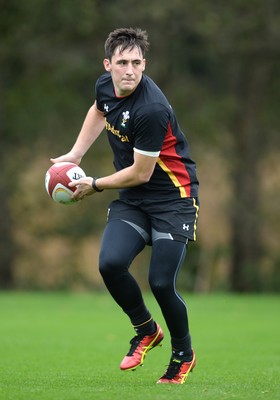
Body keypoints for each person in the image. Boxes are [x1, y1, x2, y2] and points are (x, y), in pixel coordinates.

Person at [51, 27, 199, 385]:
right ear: (108, 65)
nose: (129, 70)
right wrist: (75, 154)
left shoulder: (151, 109)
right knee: (110, 263)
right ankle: (146, 330)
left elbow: (142, 173)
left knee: (161, 283)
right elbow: (99, 110)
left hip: (172, 199)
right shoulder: (105, 85)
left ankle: (183, 354)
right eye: (122, 63)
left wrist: (95, 184)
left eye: (136, 63)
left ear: (144, 64)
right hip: (134, 200)